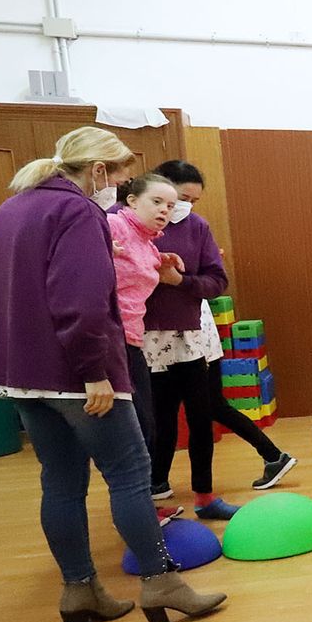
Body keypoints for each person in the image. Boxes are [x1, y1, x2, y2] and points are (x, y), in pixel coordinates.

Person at [0, 127, 226, 622]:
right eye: (122, 177)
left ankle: (80, 589)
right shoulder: (77, 211)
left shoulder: (12, 208)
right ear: (98, 172)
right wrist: (95, 372)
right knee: (130, 474)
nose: (118, 188)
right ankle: (161, 582)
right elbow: (83, 301)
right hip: (75, 371)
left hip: (23, 375)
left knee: (62, 482)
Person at [143, 159, 296, 509]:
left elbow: (216, 280)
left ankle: (206, 494)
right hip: (149, 340)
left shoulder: (196, 227)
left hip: (191, 336)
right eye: (176, 199)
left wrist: (180, 280)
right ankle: (156, 484)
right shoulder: (130, 226)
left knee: (204, 411)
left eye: (188, 202)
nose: (176, 208)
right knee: (162, 415)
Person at [105, 173, 187, 524]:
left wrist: (161, 258)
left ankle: (144, 507)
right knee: (133, 428)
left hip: (132, 340)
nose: (165, 210)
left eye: (170, 205)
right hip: (111, 338)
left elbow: (136, 267)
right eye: (157, 202)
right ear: (132, 201)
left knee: (144, 426)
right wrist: (97, 245)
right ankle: (137, 513)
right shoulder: (111, 224)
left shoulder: (147, 241)